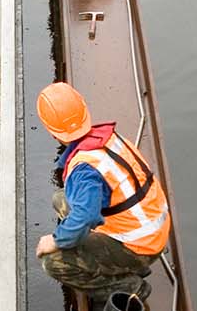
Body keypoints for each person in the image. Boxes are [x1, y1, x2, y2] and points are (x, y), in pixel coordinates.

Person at [34, 81, 170, 309]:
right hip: (152, 229)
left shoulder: (84, 170)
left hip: (140, 245)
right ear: (84, 110)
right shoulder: (106, 139)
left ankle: (130, 287)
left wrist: (55, 241)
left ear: (51, 130)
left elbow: (86, 217)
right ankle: (130, 264)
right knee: (61, 199)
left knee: (53, 262)